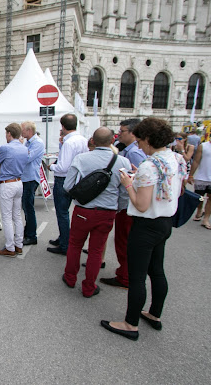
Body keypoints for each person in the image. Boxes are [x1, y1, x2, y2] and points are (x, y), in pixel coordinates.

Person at [101, 118, 187, 341]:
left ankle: (130, 324)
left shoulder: (150, 166)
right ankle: (154, 314)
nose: (138, 145)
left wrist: (129, 183)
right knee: (157, 271)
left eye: (139, 140)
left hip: (146, 224)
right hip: (165, 221)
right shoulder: (176, 158)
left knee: (137, 277)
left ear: (148, 139)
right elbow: (173, 190)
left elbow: (141, 204)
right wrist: (141, 178)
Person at [62, 127, 131, 298]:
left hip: (83, 210)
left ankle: (70, 278)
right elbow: (124, 193)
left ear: (92, 140)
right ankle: (89, 287)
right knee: (96, 250)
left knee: (75, 245)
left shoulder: (82, 159)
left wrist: (81, 196)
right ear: (112, 141)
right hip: (107, 211)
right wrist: (118, 207)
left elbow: (67, 185)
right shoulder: (122, 162)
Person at [100, 118, 147, 289]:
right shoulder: (129, 150)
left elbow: (139, 180)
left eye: (123, 131)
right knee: (123, 240)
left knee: (124, 240)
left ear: (133, 133)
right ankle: (124, 273)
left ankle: (125, 276)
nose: (119, 134)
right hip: (128, 203)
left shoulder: (133, 153)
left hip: (128, 204)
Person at [47, 114, 88, 255]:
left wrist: (52, 167)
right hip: (77, 179)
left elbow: (63, 167)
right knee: (67, 212)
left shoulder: (69, 143)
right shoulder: (82, 140)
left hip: (64, 180)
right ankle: (64, 238)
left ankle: (65, 244)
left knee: (62, 213)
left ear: (63, 126)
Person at [0, 123, 28, 257]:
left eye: (6, 133)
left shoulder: (6, 148)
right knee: (17, 216)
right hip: (19, 182)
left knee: (7, 217)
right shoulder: (24, 148)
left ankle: (10, 247)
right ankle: (19, 245)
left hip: (8, 183)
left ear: (9, 134)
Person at [20, 121, 45, 245]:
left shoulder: (37, 143)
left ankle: (31, 235)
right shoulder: (28, 142)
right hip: (26, 178)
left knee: (28, 207)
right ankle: (28, 231)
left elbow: (27, 158)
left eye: (23, 130)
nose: (21, 132)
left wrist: (19, 148)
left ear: (29, 131)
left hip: (30, 179)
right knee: (25, 206)